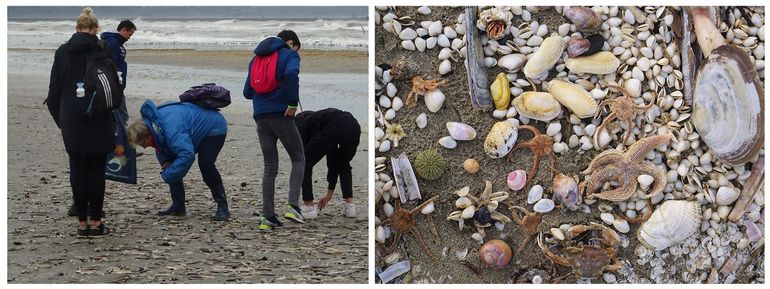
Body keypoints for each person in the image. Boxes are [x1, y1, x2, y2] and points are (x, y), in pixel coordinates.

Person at [46, 7, 112, 238]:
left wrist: (61, 120)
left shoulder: (63, 51)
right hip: (100, 117)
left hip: (71, 118)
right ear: (96, 30)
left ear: (76, 29)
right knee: (97, 170)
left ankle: (82, 223)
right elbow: (115, 87)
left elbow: (54, 91)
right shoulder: (104, 48)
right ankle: (96, 222)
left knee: (77, 168)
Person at [127, 100, 231, 221]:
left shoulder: (170, 128)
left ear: (148, 134)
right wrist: (166, 162)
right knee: (171, 164)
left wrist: (169, 175)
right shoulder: (154, 126)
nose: (144, 147)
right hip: (192, 130)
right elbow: (161, 145)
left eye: (143, 143)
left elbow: (187, 155)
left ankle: (223, 207)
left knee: (206, 165)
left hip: (214, 128)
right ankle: (178, 205)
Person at [243, 30, 305, 230]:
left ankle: (268, 217)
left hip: (260, 117)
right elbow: (291, 74)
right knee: (298, 158)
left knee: (270, 166)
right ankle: (293, 205)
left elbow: (247, 92)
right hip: (282, 114)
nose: (296, 51)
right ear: (290, 42)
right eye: (296, 47)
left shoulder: (256, 59)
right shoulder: (289, 55)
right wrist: (292, 103)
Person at [295, 108, 361, 219]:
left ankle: (309, 206)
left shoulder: (302, 125)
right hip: (354, 126)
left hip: (338, 126)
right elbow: (332, 160)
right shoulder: (322, 119)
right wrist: (329, 193)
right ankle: (349, 206)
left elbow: (303, 157)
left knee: (304, 162)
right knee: (343, 162)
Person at [100, 20, 135, 124]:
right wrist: (117, 82)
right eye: (130, 34)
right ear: (123, 30)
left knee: (118, 113)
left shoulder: (117, 43)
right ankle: (120, 137)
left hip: (116, 83)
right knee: (122, 115)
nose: (129, 37)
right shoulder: (113, 43)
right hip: (114, 83)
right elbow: (111, 64)